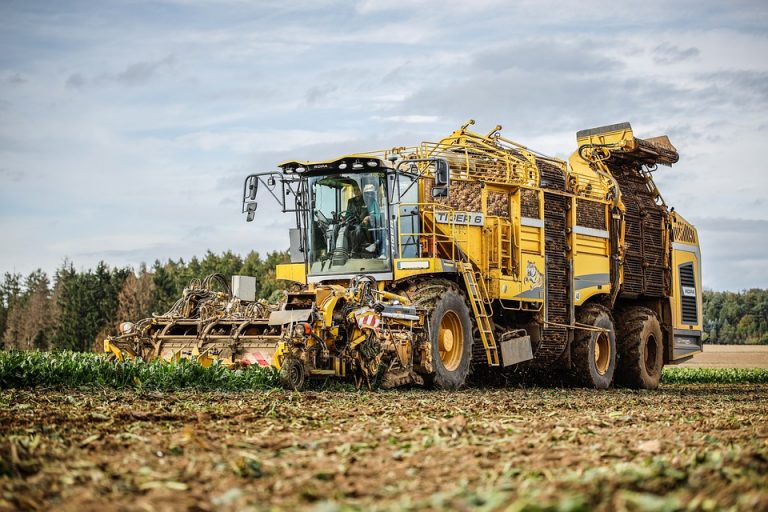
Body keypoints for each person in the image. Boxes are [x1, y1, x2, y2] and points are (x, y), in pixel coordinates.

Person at [344, 186, 374, 256]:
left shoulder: (368, 200)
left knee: (358, 229)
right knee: (337, 227)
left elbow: (375, 214)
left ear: (362, 191)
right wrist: (345, 219)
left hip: (363, 224)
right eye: (354, 190)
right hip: (352, 222)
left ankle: (354, 250)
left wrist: (368, 217)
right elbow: (347, 213)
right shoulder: (350, 201)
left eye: (358, 190)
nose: (356, 191)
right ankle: (334, 251)